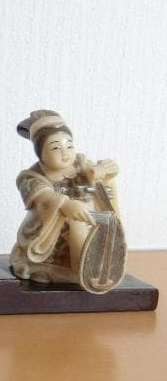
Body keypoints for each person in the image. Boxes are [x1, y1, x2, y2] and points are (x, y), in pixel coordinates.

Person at [10, 110, 125, 293]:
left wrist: (105, 172)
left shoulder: (81, 164)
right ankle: (79, 269)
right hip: (51, 231)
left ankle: (95, 266)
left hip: (88, 220)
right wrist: (64, 204)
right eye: (56, 148)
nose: (65, 154)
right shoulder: (31, 177)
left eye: (69, 146)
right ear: (40, 153)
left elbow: (100, 179)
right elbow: (43, 197)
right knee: (75, 222)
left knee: (99, 226)